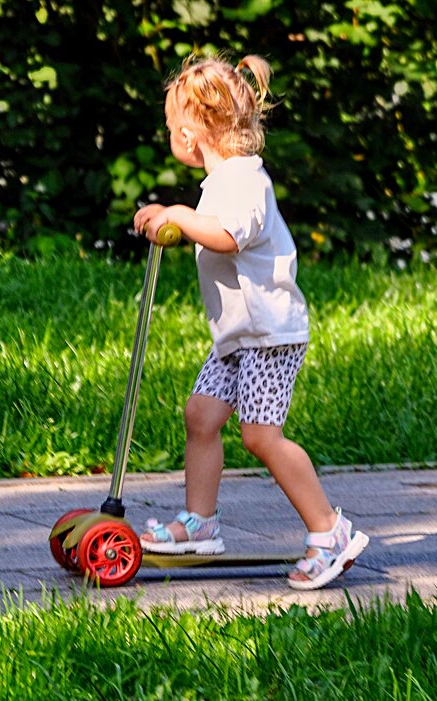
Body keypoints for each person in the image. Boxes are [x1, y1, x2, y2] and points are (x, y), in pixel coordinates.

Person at [132, 54, 368, 590]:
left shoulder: (243, 179)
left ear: (191, 135)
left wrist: (179, 217)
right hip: (238, 339)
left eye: (172, 128)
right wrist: (179, 216)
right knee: (201, 415)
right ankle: (200, 522)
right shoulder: (221, 181)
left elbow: (231, 234)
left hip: (270, 335)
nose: (170, 136)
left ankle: (329, 530)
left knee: (261, 436)